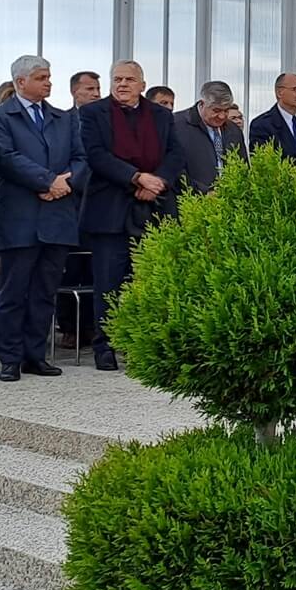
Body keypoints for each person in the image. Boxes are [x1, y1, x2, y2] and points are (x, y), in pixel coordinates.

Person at [0, 55, 88, 382]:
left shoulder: (62, 118)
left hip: (57, 217)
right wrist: (47, 182)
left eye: (49, 77)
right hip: (20, 217)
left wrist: (65, 184)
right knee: (14, 290)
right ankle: (10, 357)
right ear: (20, 82)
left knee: (45, 291)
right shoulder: (0, 116)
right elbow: (5, 157)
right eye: (42, 77)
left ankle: (35, 355)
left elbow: (82, 157)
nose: (49, 83)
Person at [78, 60, 183, 371]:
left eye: (128, 79)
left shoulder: (161, 115)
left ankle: (143, 346)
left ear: (142, 84)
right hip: (110, 210)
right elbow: (96, 155)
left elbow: (176, 154)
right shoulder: (93, 113)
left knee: (149, 282)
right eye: (117, 79)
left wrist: (158, 181)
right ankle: (105, 346)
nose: (122, 84)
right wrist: (137, 177)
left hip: (153, 208)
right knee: (108, 284)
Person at [174, 81, 246, 195]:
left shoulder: (234, 130)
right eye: (216, 110)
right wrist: (203, 192)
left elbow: (243, 167)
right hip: (190, 203)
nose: (222, 116)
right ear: (202, 104)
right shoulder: (176, 125)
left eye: (226, 110)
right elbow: (173, 169)